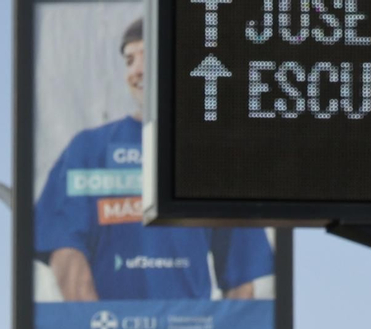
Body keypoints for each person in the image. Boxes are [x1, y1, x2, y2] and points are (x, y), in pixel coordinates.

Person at [34, 17, 275, 304]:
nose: (136, 70)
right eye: (128, 60)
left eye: (147, 55)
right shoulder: (88, 149)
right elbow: (65, 249)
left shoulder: (210, 156)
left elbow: (240, 277)